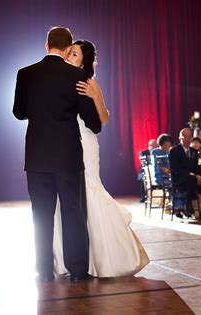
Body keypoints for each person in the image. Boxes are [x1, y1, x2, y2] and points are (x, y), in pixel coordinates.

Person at [53, 39, 149, 278]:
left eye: (74, 55)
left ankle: (107, 256)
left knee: (89, 189)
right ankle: (72, 257)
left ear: (84, 61)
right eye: (69, 53)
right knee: (68, 195)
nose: (69, 57)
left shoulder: (89, 83)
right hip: (63, 143)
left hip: (85, 142)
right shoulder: (59, 80)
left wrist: (95, 96)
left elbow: (103, 119)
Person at [13, 27, 102, 282]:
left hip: (37, 156)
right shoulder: (75, 75)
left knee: (40, 214)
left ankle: (44, 269)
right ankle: (77, 270)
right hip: (67, 157)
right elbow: (92, 122)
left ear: (46, 45)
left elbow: (19, 112)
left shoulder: (25, 74)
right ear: (67, 48)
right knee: (73, 212)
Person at [169, 128, 201, 219]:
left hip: (193, 179)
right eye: (185, 137)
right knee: (191, 179)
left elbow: (196, 168)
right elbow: (176, 169)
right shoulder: (174, 151)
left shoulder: (193, 151)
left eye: (189, 137)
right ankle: (188, 206)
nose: (187, 139)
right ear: (180, 138)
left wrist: (198, 176)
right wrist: (193, 175)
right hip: (180, 179)